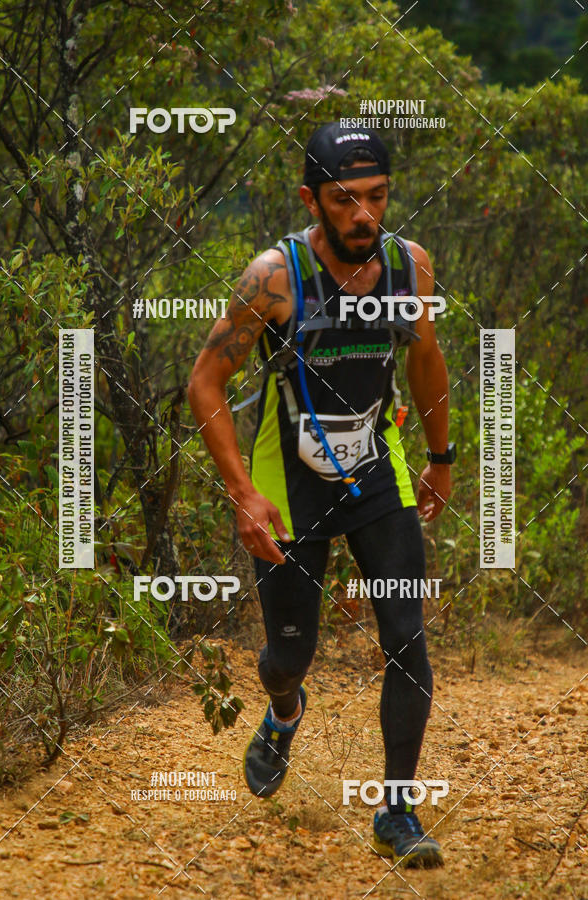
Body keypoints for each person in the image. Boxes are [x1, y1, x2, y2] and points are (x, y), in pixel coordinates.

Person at [188, 122, 455, 868]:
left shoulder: (408, 266)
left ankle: (397, 812)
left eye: (377, 196)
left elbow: (425, 358)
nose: (364, 215)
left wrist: (441, 459)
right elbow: (205, 382)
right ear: (312, 200)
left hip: (376, 472)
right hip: (289, 484)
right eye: (344, 200)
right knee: (288, 654)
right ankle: (284, 711)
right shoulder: (275, 278)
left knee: (405, 636)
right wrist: (242, 493)